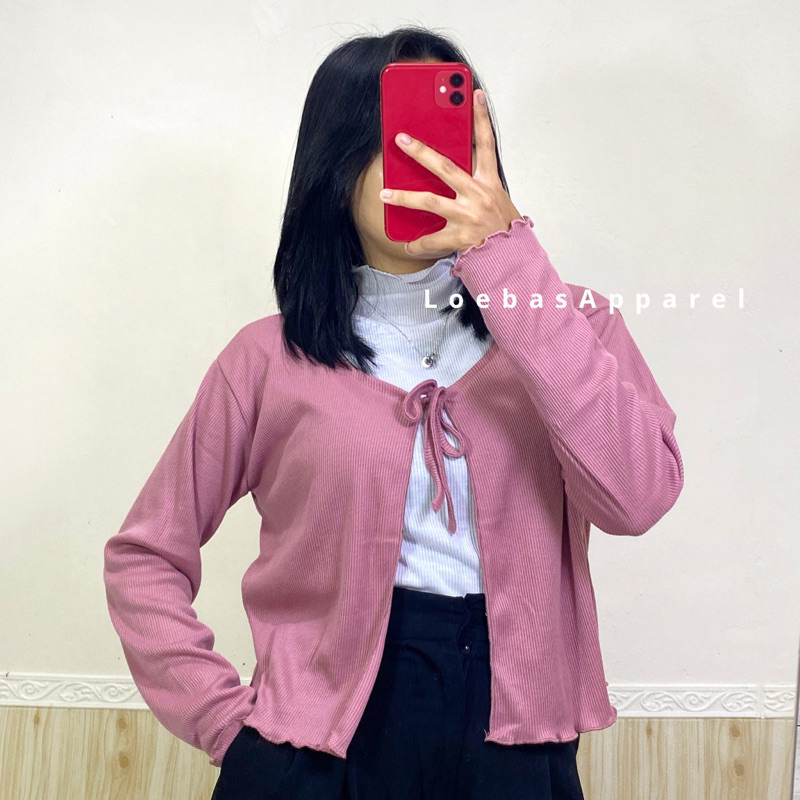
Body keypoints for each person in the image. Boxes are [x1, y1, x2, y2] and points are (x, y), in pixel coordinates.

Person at [103, 25, 685, 800]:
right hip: (314, 755)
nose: (428, 164)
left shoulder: (572, 325)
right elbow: (144, 555)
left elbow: (637, 498)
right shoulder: (267, 359)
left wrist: (511, 265)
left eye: (449, 137)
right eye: (397, 139)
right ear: (335, 165)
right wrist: (224, 724)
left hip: (512, 743)